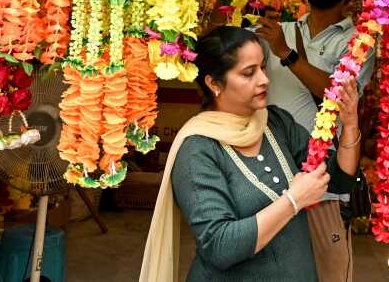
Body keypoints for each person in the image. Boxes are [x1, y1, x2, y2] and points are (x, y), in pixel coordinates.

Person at [139, 26, 361, 282]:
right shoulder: (197, 149)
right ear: (214, 83)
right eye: (248, 73)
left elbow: (338, 178)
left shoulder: (276, 123)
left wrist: (350, 123)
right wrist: (292, 201)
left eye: (263, 68)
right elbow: (218, 246)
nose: (264, 80)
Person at [254, 0, 372, 282]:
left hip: (324, 187)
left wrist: (286, 55)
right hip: (267, 183)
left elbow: (339, 94)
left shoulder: (357, 43)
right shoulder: (280, 31)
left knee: (326, 274)